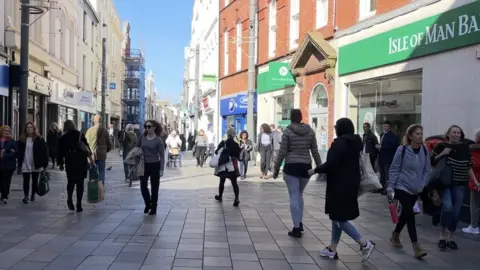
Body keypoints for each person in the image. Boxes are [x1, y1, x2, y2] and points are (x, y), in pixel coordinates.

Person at [310, 118, 375, 262]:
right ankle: (332, 249)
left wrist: (315, 170)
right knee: (337, 217)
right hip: (351, 184)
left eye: (336, 127)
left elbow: (331, 164)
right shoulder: (356, 143)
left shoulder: (339, 143)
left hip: (339, 185)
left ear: (340, 128)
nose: (334, 129)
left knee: (339, 218)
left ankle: (364, 244)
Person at [272, 109, 322, 238]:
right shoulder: (310, 131)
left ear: (290, 118)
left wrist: (276, 168)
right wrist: (320, 168)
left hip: (292, 166)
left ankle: (296, 227)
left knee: (294, 195)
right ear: (301, 117)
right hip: (306, 166)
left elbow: (282, 152)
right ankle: (299, 222)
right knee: (299, 194)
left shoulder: (288, 131)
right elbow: (315, 151)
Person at [430, 125, 478, 250]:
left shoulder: (465, 148)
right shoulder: (441, 146)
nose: (456, 134)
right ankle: (442, 235)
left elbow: (469, 166)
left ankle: (451, 237)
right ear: (448, 134)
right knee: (448, 207)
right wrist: (443, 154)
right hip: (445, 184)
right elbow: (431, 161)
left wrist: (476, 181)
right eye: (454, 132)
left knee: (456, 212)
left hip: (460, 184)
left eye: (458, 133)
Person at [387, 124, 429, 258]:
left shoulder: (424, 150)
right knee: (410, 215)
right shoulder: (402, 150)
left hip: (416, 188)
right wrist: (390, 187)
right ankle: (416, 246)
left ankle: (395, 234)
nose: (420, 136)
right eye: (417, 134)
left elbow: (427, 170)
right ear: (410, 136)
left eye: (421, 134)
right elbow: (394, 169)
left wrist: (422, 185)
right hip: (402, 186)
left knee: (406, 213)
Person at [58, 120, 92, 212]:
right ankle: (79, 204)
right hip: (81, 162)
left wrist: (61, 163)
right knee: (80, 184)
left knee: (71, 182)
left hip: (70, 162)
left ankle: (69, 199)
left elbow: (60, 152)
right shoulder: (80, 135)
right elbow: (87, 148)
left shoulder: (63, 138)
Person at [17, 122, 48, 204]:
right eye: (27, 127)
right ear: (25, 129)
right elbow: (19, 151)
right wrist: (19, 162)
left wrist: (44, 164)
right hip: (25, 162)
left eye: (31, 127)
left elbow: (44, 152)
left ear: (34, 129)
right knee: (26, 180)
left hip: (35, 162)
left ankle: (32, 195)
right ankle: (26, 196)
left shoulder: (39, 139)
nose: (29, 129)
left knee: (35, 180)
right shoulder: (22, 140)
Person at [138, 120, 165, 215]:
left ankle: (154, 208)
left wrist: (161, 169)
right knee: (143, 186)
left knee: (155, 187)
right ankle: (148, 203)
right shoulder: (142, 137)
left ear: (154, 127)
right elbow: (137, 148)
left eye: (149, 126)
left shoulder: (158, 140)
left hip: (155, 164)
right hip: (144, 164)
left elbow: (162, 155)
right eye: (145, 126)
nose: (147, 128)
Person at [214, 127, 241, 207]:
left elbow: (216, 152)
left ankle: (220, 196)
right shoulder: (236, 144)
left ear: (227, 134)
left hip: (224, 164)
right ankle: (236, 198)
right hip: (233, 164)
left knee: (222, 181)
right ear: (234, 135)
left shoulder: (223, 143)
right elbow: (238, 156)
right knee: (234, 183)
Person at [85, 115, 112, 186]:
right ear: (101, 121)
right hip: (101, 155)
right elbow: (109, 144)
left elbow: (85, 143)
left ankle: (93, 188)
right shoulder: (105, 131)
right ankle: (100, 189)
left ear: (94, 121)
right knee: (101, 172)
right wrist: (104, 151)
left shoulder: (89, 130)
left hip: (91, 155)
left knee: (92, 171)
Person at [463, 129, 480, 235]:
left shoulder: (473, 150)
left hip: (476, 180)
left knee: (474, 203)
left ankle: (474, 226)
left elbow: (473, 165)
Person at [377, 121, 399, 194]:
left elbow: (393, 146)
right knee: (382, 174)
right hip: (382, 157)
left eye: (386, 126)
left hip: (388, 158)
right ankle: (381, 187)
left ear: (390, 127)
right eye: (384, 126)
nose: (385, 127)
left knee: (387, 175)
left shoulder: (392, 136)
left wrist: (382, 147)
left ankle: (387, 189)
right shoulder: (382, 134)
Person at [0, 125, 17, 204]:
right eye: (5, 130)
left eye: (8, 131)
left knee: (6, 181)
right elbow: (10, 151)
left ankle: (5, 196)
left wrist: (4, 154)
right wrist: (9, 150)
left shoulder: (12, 141)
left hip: (9, 165)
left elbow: (15, 153)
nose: (7, 132)